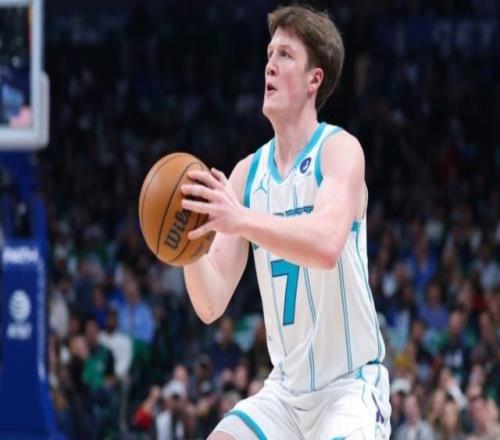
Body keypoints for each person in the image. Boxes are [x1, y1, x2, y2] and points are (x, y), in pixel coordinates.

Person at [181, 4, 391, 439]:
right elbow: (210, 303)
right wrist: (187, 246)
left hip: (348, 387)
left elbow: (327, 246)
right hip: (284, 394)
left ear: (315, 79)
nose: (270, 66)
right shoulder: (247, 175)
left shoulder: (339, 150)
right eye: (269, 54)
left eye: (285, 55)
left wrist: (241, 219)